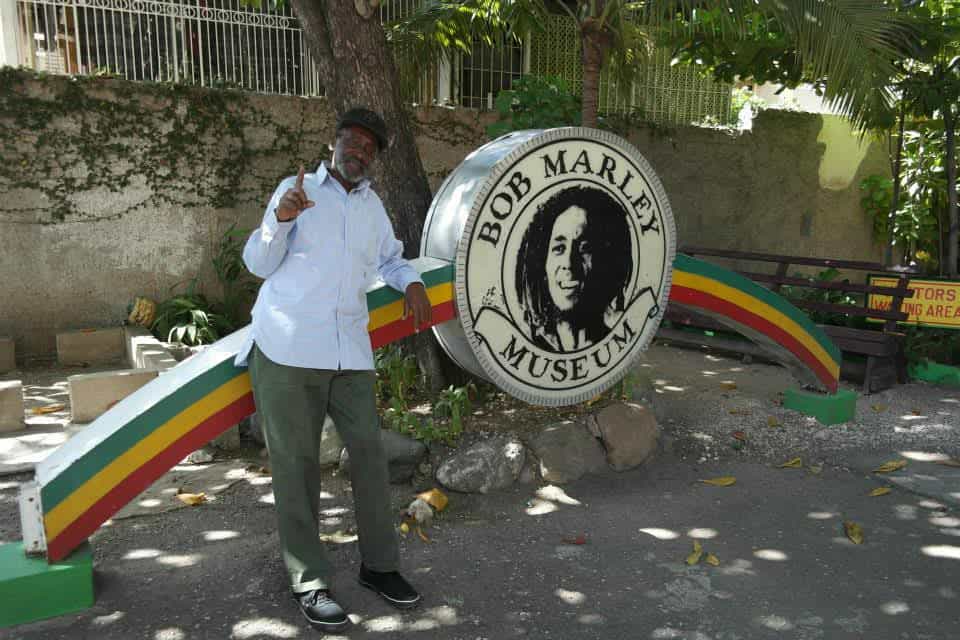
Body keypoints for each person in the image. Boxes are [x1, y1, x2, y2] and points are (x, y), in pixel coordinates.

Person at [235, 107, 432, 632]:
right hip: (289, 347)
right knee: (296, 465)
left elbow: (390, 258)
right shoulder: (295, 192)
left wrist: (410, 281)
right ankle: (310, 580)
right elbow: (258, 262)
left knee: (369, 454)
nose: (359, 151)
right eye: (353, 140)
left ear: (374, 158)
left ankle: (379, 567)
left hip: (349, 350)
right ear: (334, 143)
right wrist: (282, 220)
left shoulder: (372, 207)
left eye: (370, 147)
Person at [515, 185, 633, 352]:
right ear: (545, 264)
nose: (569, 263)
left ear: (605, 262)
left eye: (585, 248)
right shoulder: (530, 343)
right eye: (559, 248)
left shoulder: (615, 345)